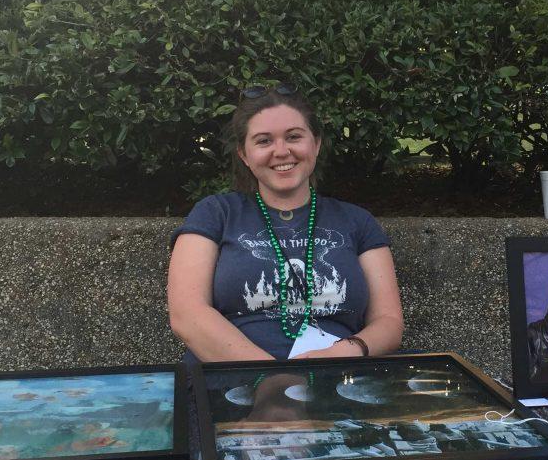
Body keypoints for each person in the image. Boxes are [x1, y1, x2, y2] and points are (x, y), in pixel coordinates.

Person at [167, 84, 404, 362]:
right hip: (232, 376)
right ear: (244, 154)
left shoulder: (357, 221)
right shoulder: (215, 213)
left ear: (315, 144)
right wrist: (272, 378)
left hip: (337, 376)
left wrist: (347, 351)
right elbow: (187, 314)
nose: (281, 151)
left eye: (293, 136)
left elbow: (388, 320)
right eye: (264, 141)